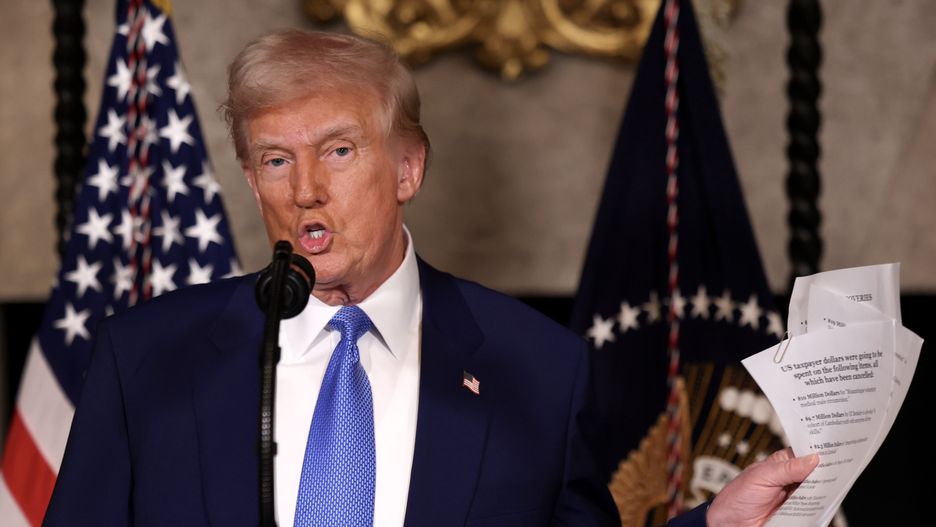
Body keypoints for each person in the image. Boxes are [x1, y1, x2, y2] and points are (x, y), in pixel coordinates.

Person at [45, 30, 818, 526]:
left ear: (408, 166)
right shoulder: (146, 357)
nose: (304, 188)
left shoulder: (537, 368)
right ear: (252, 180)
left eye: (339, 151)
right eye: (276, 160)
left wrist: (711, 526)